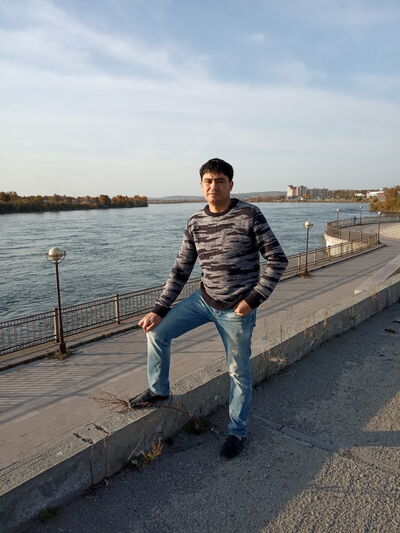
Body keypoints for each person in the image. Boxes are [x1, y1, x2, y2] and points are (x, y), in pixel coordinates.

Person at [130, 158, 288, 459]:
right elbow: (181, 269)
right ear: (201, 185)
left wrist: (252, 300)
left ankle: (237, 431)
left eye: (219, 181)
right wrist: (159, 308)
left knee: (238, 371)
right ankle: (159, 390)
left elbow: (278, 260)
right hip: (203, 300)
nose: (213, 186)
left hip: (237, 309)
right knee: (157, 332)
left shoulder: (249, 215)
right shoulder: (195, 222)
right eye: (208, 181)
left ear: (231, 184)